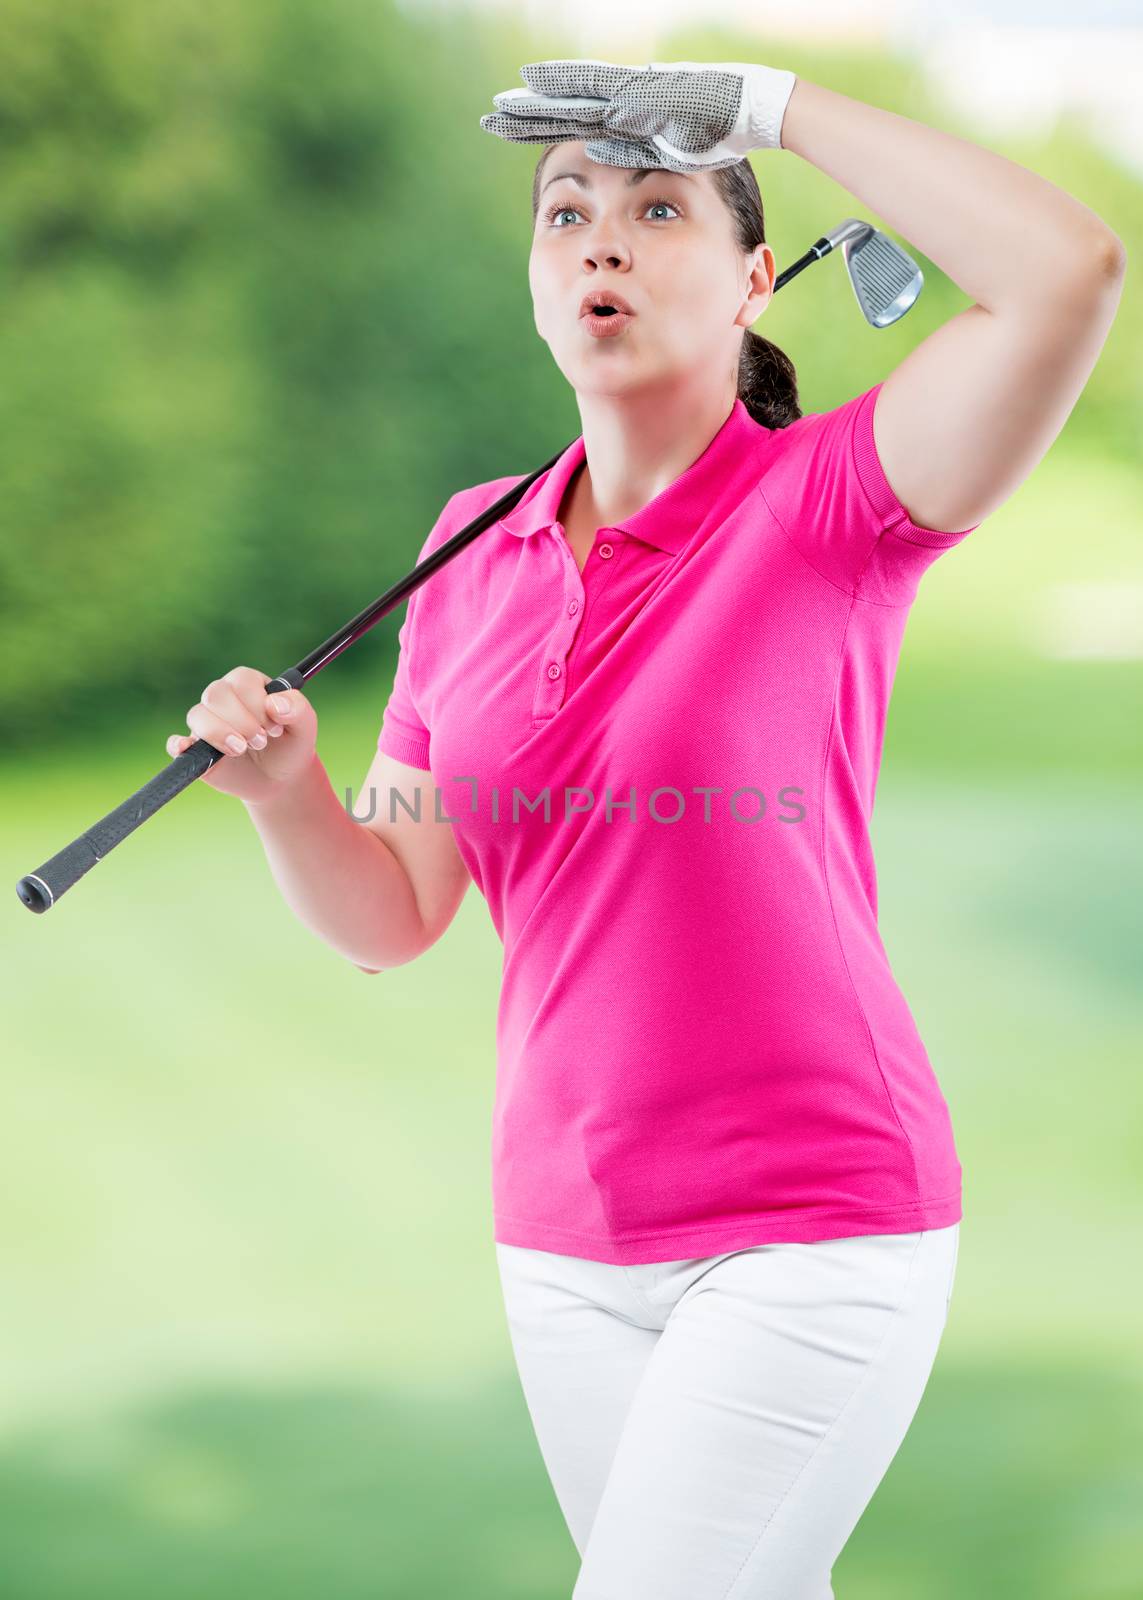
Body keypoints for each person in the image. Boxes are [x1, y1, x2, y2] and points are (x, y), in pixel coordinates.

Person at [168, 59, 1126, 1600]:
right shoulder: (463, 554)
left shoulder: (833, 501)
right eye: (568, 213)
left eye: (656, 206)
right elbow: (395, 908)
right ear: (539, 280)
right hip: (565, 1246)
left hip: (810, 1226)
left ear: (755, 281)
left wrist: (763, 103)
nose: (600, 240)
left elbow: (1066, 270)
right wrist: (289, 801)